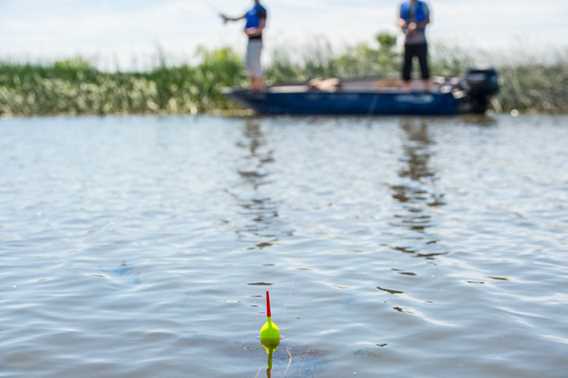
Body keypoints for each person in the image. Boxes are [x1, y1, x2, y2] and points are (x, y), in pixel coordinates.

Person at [221, 1, 268, 91]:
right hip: (250, 43)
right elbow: (236, 19)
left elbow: (261, 27)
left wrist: (250, 32)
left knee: (256, 65)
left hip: (257, 42)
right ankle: (253, 88)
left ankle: (261, 88)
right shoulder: (250, 11)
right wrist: (227, 18)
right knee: (249, 65)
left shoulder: (262, 10)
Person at [399, 0, 431, 91]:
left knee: (423, 64)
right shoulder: (403, 5)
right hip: (408, 41)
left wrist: (416, 25)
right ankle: (406, 90)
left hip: (421, 41)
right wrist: (402, 23)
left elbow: (428, 20)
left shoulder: (423, 5)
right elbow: (399, 19)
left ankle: (427, 89)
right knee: (407, 65)